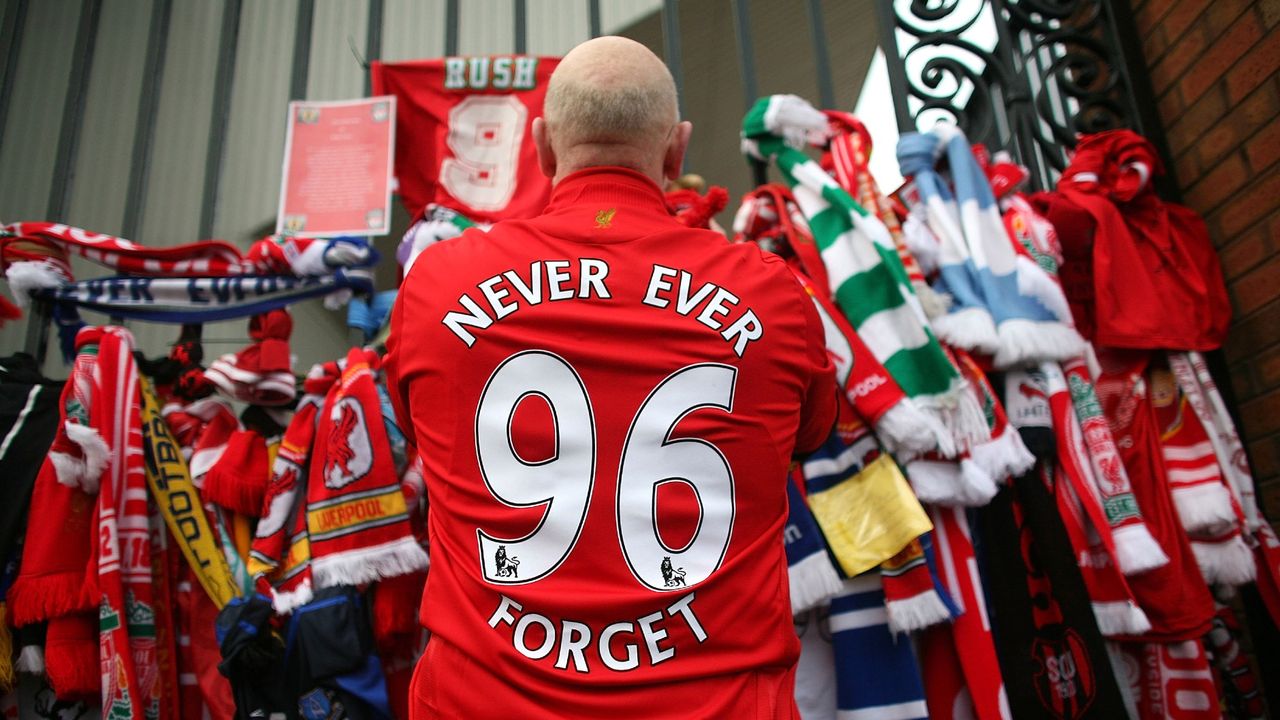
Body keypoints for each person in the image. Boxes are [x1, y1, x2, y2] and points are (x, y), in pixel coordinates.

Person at [385, 35, 838, 719]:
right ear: (678, 149)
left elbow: (419, 420)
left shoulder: (435, 287)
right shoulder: (775, 296)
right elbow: (813, 432)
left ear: (539, 145)